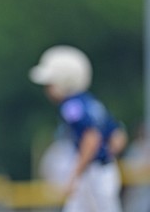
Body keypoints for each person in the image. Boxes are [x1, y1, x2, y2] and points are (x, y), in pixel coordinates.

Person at [29, 45, 127, 212]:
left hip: (92, 173)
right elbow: (118, 137)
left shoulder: (72, 107)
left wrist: (75, 174)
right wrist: (106, 156)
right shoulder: (92, 103)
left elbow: (91, 138)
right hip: (103, 170)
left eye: (50, 84)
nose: (47, 90)